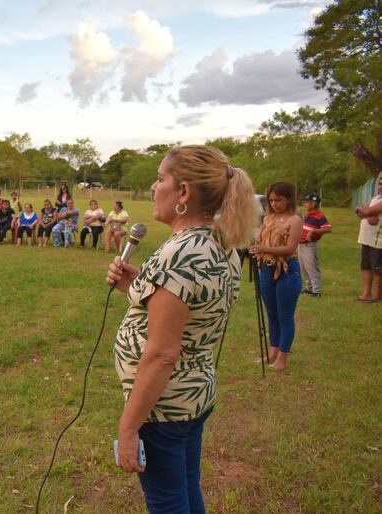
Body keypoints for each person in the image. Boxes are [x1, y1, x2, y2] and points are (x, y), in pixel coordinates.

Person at [106, 145, 257, 514]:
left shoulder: (179, 254)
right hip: (192, 394)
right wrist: (139, 285)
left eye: (160, 179)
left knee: (168, 502)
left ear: (184, 192)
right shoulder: (217, 242)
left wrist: (128, 428)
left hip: (165, 405)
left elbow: (161, 355)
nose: (154, 188)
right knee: (185, 490)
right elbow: (193, 307)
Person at [250, 181, 303, 371]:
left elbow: (290, 248)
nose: (274, 204)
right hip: (266, 268)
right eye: (271, 200)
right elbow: (260, 240)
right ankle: (273, 352)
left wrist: (264, 248)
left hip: (288, 270)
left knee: (285, 316)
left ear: (289, 199)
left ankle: (282, 357)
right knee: (272, 314)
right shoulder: (268, 219)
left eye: (278, 200)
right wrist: (256, 247)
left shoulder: (295, 220)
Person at [298, 193, 332, 297]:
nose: (304, 204)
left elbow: (328, 228)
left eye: (306, 202)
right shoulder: (307, 215)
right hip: (301, 245)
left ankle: (316, 291)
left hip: (309, 245)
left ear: (313, 204)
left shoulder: (319, 216)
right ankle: (309, 288)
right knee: (303, 268)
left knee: (312, 268)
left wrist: (314, 232)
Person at [354, 175, 382, 302]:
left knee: (378, 268)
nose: (380, 186)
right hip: (366, 238)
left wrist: (366, 211)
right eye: (380, 184)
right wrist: (366, 212)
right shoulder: (375, 198)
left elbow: (366, 211)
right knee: (366, 266)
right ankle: (366, 293)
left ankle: (377, 295)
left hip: (378, 240)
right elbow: (361, 211)